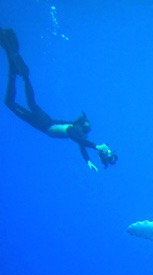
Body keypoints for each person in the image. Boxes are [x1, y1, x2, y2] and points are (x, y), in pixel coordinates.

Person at [0, 27, 117, 171]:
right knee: (11, 103)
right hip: (43, 123)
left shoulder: (78, 132)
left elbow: (81, 145)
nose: (85, 131)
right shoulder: (72, 131)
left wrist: (88, 161)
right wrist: (96, 146)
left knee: (29, 102)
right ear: (80, 126)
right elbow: (79, 141)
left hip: (44, 121)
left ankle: (21, 72)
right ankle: (18, 72)